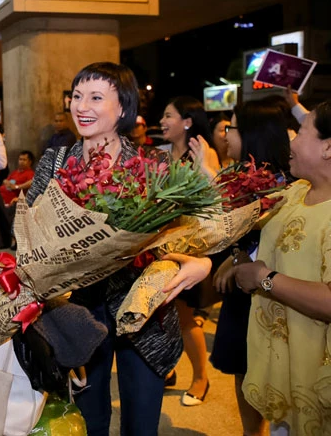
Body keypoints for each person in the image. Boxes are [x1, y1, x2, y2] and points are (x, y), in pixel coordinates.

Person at [25, 63, 212, 436]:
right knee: (89, 423)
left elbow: (194, 232)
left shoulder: (153, 164)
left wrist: (202, 262)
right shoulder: (55, 163)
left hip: (144, 307)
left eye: (96, 97)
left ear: (123, 107)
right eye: (77, 96)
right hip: (76, 309)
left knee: (141, 425)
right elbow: (29, 234)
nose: (82, 106)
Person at [234, 100, 331, 435]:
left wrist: (264, 279)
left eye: (301, 132)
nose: (291, 140)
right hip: (284, 361)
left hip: (317, 370)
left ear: (328, 147)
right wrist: (237, 261)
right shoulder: (296, 191)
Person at [210, 100, 292, 436]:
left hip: (275, 292)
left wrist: (244, 258)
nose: (225, 135)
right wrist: (235, 254)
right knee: (243, 365)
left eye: (232, 128)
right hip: (240, 291)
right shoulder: (235, 179)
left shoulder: (289, 184)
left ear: (253, 134)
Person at [158, 95, 220, 405]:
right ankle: (168, 368)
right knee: (161, 314)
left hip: (191, 248)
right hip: (161, 244)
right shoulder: (161, 154)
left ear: (187, 122)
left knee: (184, 316)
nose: (162, 121)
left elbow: (216, 200)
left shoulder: (204, 153)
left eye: (168, 115)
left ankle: (201, 378)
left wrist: (202, 169)